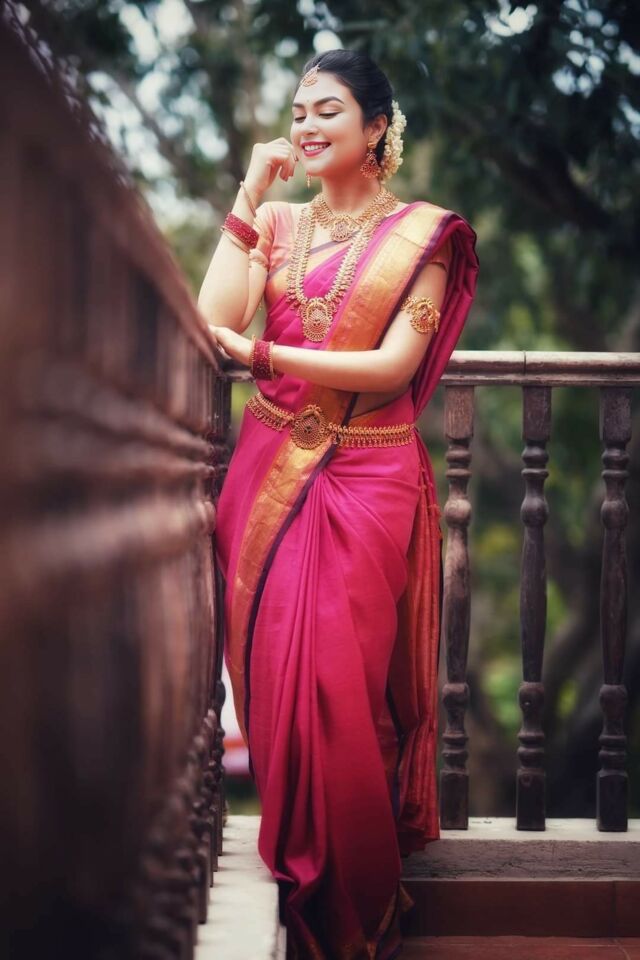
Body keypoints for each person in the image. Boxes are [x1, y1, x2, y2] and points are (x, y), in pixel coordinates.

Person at [198, 48, 479, 960]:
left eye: (328, 110)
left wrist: (267, 358)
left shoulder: (423, 239)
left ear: (376, 128)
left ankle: (359, 901)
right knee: (277, 684)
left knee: (342, 687)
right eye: (299, 111)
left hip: (368, 477)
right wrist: (249, 192)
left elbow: (393, 367)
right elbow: (214, 318)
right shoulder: (278, 223)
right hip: (269, 470)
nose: (308, 126)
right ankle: (308, 885)